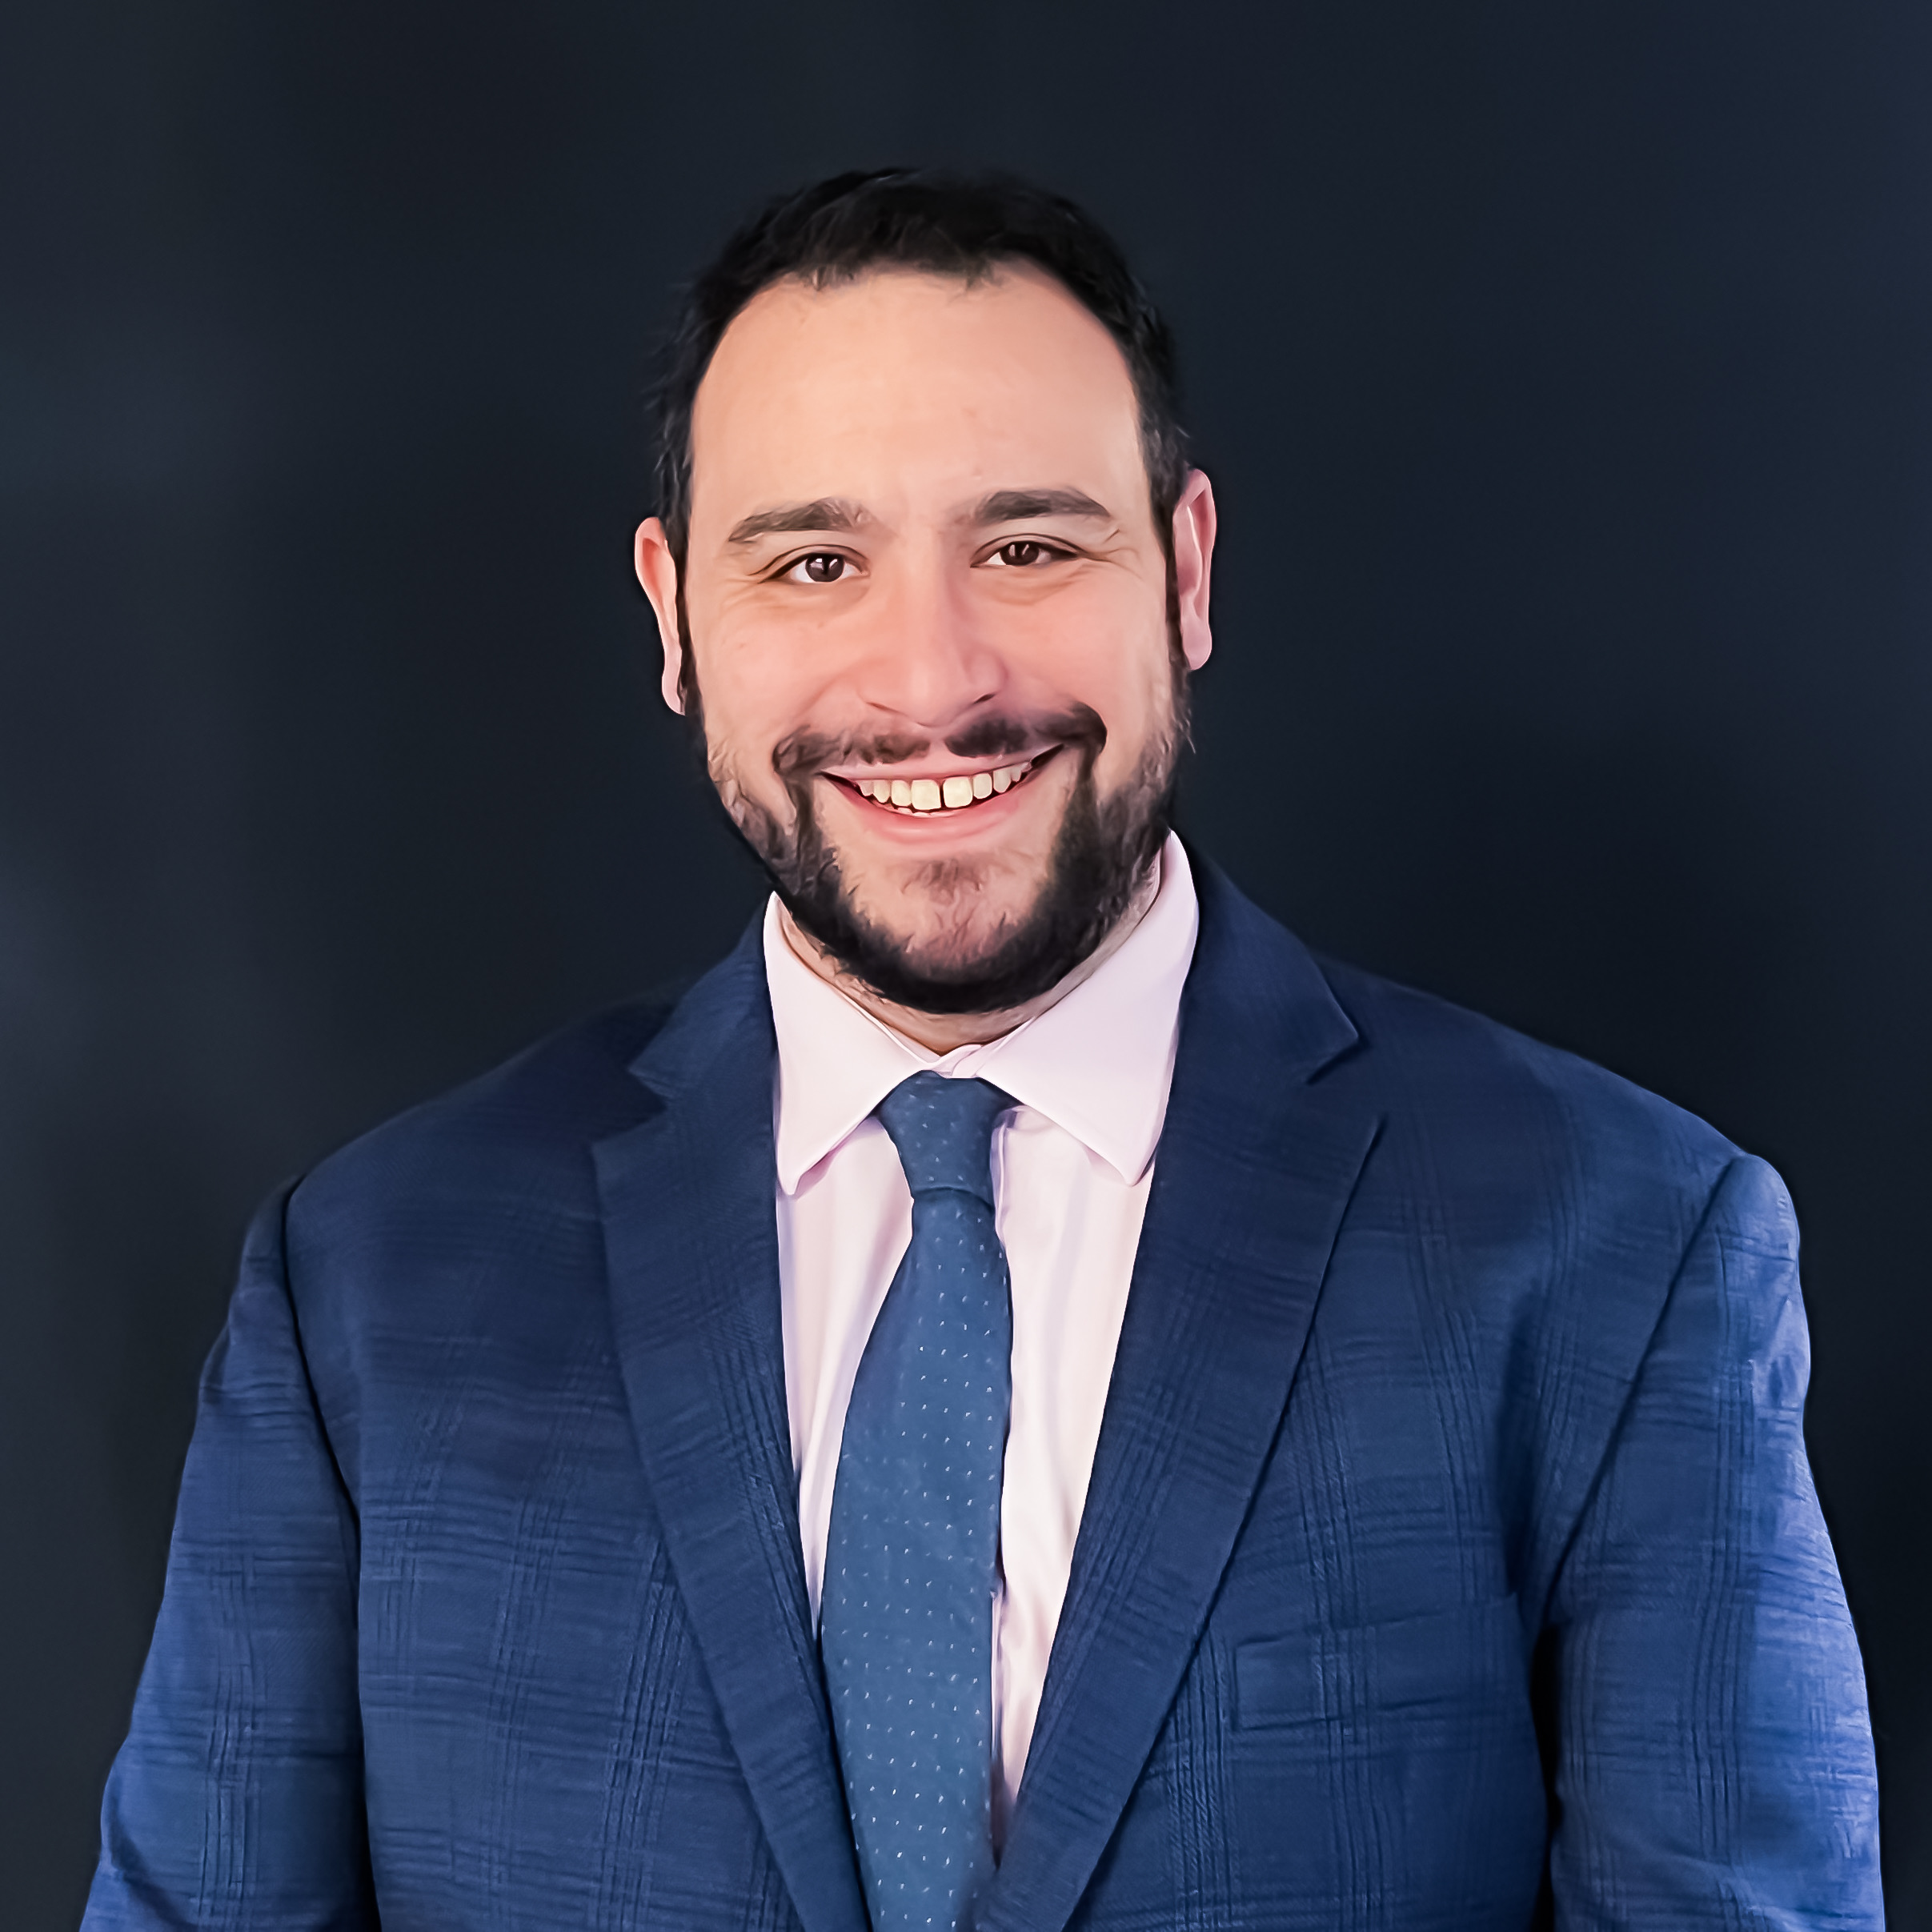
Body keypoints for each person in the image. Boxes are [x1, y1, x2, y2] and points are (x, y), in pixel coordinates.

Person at [84, 170, 1882, 1931]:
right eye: (813, 562)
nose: (931, 681)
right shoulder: (365, 1285)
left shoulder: (1616, 1244)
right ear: (673, 617)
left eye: (1027, 547)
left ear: (1184, 570)